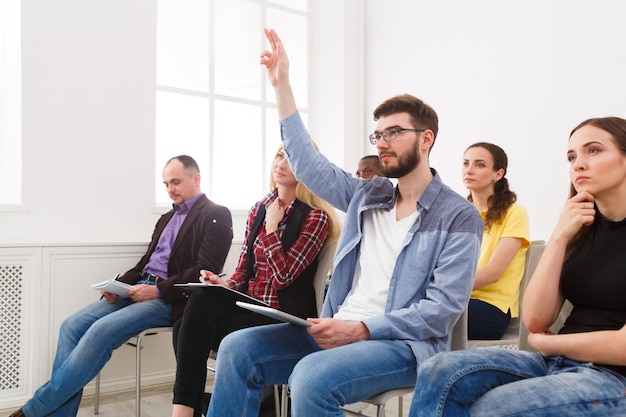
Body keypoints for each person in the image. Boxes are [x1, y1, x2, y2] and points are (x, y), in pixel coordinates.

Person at [205, 28, 483, 417]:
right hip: (336, 331)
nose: (382, 142)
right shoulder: (369, 196)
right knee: (238, 349)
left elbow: (442, 310)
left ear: (426, 139)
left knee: (311, 377)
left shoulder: (458, 216)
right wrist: (282, 86)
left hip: (403, 345)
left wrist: (363, 329)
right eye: (379, 134)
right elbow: (309, 165)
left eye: (395, 132)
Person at [410, 117, 626, 417]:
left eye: (593, 151)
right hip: (554, 361)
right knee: (438, 368)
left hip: (614, 377)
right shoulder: (580, 229)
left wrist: (553, 344)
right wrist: (560, 235)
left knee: (492, 408)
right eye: (571, 156)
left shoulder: (513, 213)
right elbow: (536, 321)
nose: (577, 164)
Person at [10, 155, 233, 417]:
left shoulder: (216, 214)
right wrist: (118, 284)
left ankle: (33, 410)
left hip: (169, 299)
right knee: (71, 326)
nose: (170, 189)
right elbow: (144, 264)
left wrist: (158, 291)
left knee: (101, 331)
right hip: (136, 288)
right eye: (165, 184)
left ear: (196, 178)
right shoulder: (165, 218)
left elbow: (203, 270)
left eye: (176, 182)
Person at [170, 146, 341, 417]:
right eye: (279, 155)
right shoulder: (258, 209)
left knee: (195, 314)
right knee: (184, 323)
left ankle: (187, 410)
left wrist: (272, 229)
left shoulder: (315, 218)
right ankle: (195, 407)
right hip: (248, 309)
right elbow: (242, 273)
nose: (281, 162)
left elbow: (283, 278)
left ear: (307, 169)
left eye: (291, 157)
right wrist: (223, 284)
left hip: (281, 316)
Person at [462, 142, 530, 340]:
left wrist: (444, 288)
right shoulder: (459, 214)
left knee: (423, 311)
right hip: (458, 299)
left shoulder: (514, 212)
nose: (469, 170)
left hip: (491, 311)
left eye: (479, 165)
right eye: (466, 163)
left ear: (498, 174)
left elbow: (493, 273)